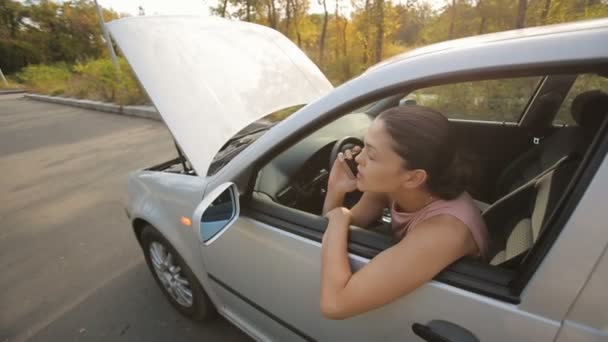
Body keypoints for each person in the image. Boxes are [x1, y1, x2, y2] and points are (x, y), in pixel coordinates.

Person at [320, 105, 489, 320]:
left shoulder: (445, 230)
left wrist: (340, 215)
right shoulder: (396, 187)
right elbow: (341, 229)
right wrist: (336, 190)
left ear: (413, 178)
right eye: (363, 146)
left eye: (371, 155)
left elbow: (335, 304)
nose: (358, 159)